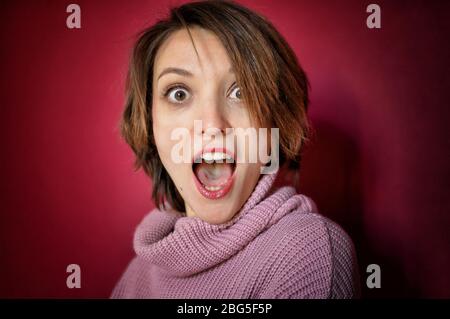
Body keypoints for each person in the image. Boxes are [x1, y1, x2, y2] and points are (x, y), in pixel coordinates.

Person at [111, 0, 360, 298]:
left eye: (240, 91)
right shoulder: (136, 276)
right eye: (179, 93)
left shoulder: (306, 252)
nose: (213, 124)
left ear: (274, 124)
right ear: (150, 125)